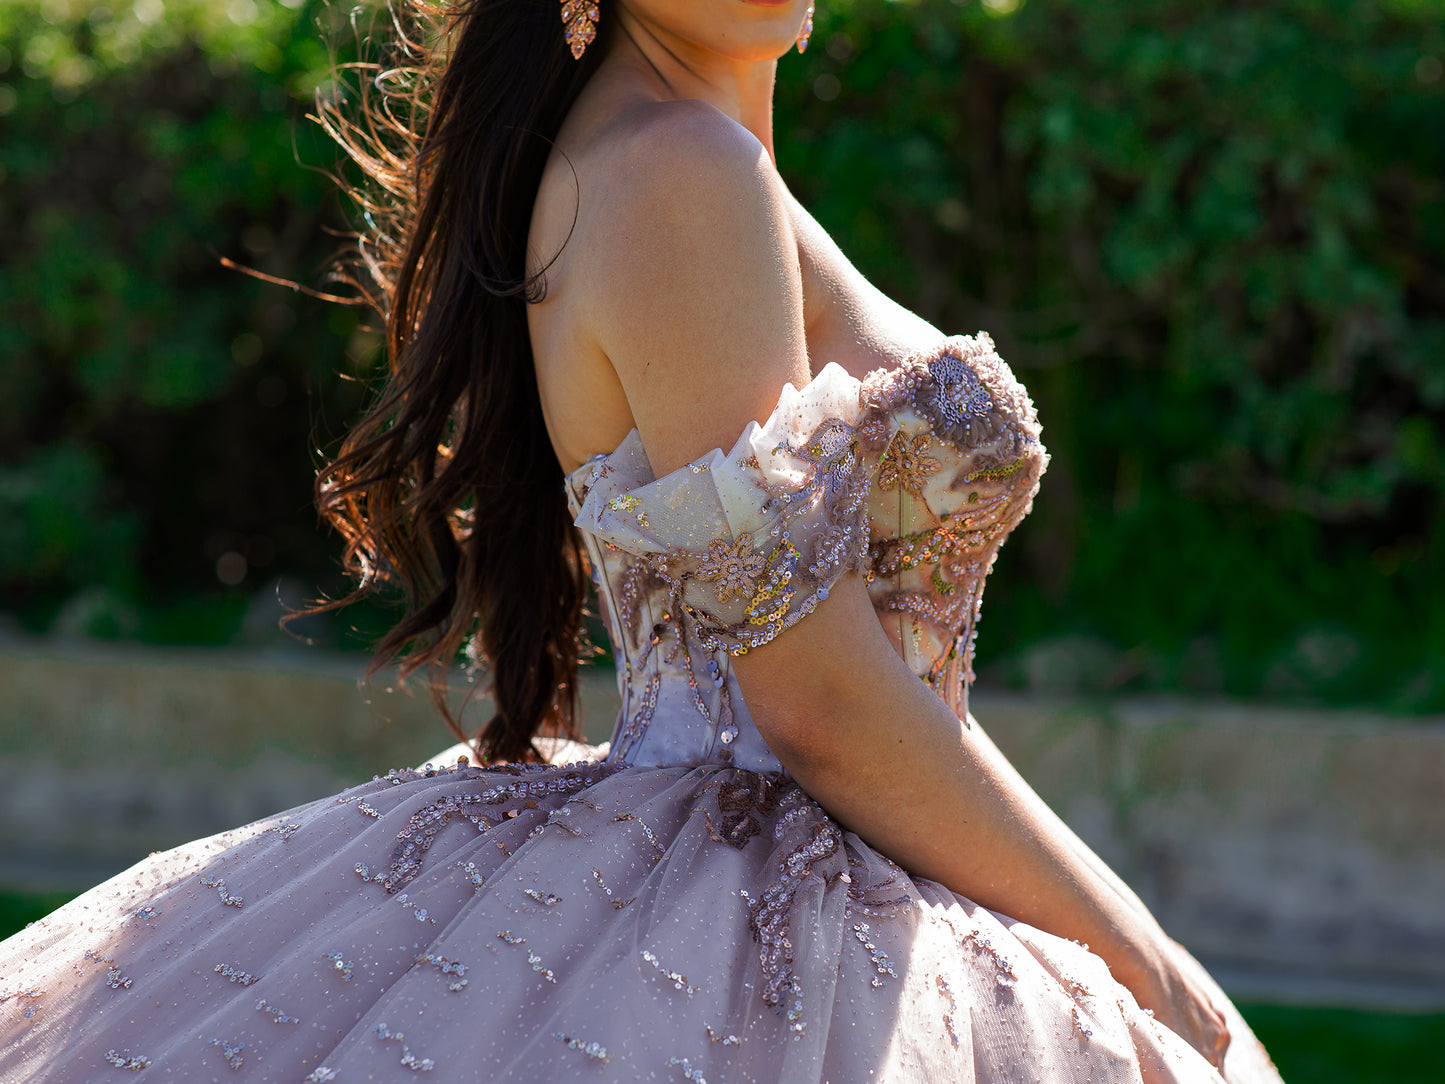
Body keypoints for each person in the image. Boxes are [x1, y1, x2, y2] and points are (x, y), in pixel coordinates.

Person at [0, 2, 1283, 1081]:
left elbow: (873, 687)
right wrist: (1154, 973)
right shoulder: (678, 169)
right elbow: (817, 703)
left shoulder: (665, 155)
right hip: (779, 893)